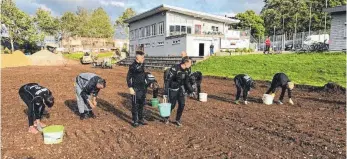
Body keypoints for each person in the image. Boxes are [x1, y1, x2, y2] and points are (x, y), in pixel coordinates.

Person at [164, 56, 195, 127]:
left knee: (182, 104)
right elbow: (168, 80)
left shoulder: (188, 70)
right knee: (172, 105)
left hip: (180, 88)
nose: (191, 64)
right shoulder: (175, 68)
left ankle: (177, 119)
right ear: (186, 63)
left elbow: (187, 82)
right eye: (190, 63)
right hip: (172, 89)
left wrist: (191, 90)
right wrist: (165, 92)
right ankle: (166, 117)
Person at [127, 50, 148, 127]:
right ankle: (135, 120)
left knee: (142, 104)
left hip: (143, 88)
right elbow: (128, 77)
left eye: (143, 57)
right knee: (135, 105)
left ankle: (141, 119)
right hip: (135, 89)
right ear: (137, 58)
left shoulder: (142, 64)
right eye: (142, 58)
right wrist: (130, 88)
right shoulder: (132, 66)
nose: (144, 59)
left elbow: (144, 74)